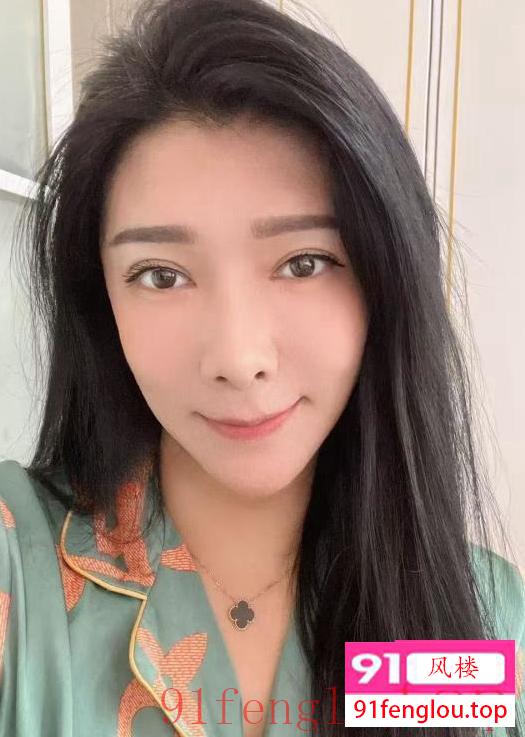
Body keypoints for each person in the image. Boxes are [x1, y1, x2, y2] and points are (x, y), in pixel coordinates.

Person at [0, 0, 523, 735]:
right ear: (101, 301)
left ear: (385, 278)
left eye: (303, 263)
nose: (239, 360)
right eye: (160, 275)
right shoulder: (16, 573)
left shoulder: (479, 615)